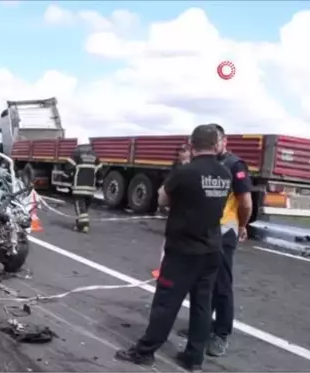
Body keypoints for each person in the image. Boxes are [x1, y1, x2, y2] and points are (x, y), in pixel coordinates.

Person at [114, 124, 231, 372]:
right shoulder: (224, 174)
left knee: (166, 303)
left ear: (192, 144)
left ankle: (145, 351)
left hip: (183, 249)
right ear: (215, 144)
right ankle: (194, 358)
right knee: (202, 305)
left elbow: (163, 198)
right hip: (212, 249)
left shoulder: (185, 172)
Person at [204, 124, 253, 356]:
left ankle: (221, 334)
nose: (213, 144)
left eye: (217, 140)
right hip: (204, 231)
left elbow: (245, 202)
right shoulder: (207, 163)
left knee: (222, 285)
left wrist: (242, 225)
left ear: (225, 141)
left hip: (224, 232)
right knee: (204, 282)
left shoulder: (235, 165)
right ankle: (203, 326)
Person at [64, 142, 101, 233]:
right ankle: (80, 224)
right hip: (90, 188)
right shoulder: (95, 156)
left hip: (79, 187)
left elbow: (67, 167)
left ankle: (84, 225)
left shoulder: (76, 154)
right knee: (84, 209)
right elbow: (100, 170)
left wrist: (69, 176)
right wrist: (99, 182)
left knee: (80, 208)